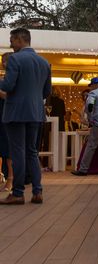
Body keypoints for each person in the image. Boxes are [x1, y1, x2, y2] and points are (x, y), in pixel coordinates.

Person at [0, 28, 52, 205]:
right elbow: (47, 92)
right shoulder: (44, 62)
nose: (11, 44)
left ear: (20, 40)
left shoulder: (15, 59)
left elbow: (7, 85)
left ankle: (18, 192)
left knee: (18, 153)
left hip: (16, 112)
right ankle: (37, 192)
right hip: (36, 112)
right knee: (32, 152)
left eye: (12, 40)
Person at [0, 53, 13, 192]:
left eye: (5, 61)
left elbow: (10, 96)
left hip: (8, 116)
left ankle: (11, 179)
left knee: (8, 150)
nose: (3, 64)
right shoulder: (4, 78)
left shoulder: (13, 78)